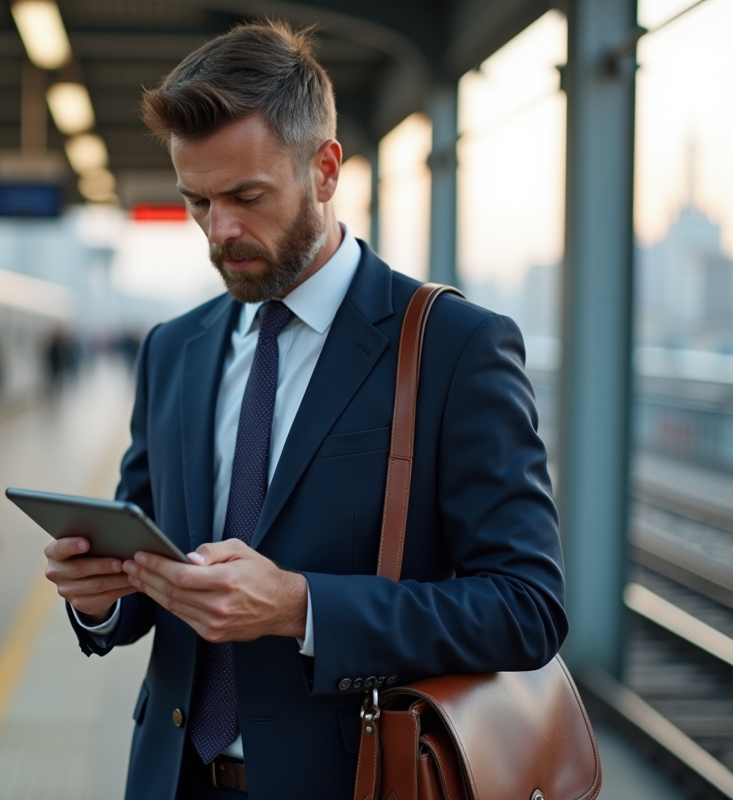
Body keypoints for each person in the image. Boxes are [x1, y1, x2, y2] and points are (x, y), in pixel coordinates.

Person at [42, 22, 567, 800]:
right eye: (197, 202)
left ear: (324, 171)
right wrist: (99, 601)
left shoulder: (456, 347)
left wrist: (302, 607)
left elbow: (527, 608)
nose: (220, 232)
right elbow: (147, 545)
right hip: (172, 778)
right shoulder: (173, 350)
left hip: (355, 779)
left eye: (247, 197)